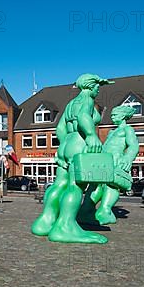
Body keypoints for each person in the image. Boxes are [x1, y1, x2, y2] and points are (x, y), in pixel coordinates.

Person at [31, 73, 114, 243]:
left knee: (59, 184)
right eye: (97, 86)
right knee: (75, 186)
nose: (99, 89)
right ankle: (65, 227)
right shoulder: (87, 100)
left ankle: (46, 221)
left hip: (66, 144)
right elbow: (84, 117)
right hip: (79, 142)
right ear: (90, 86)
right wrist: (91, 136)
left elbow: (60, 128)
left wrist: (64, 145)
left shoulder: (71, 104)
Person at [79, 105, 139, 224]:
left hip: (116, 160)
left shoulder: (127, 129)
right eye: (111, 115)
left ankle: (105, 210)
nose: (112, 117)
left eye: (115, 115)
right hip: (104, 160)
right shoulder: (112, 131)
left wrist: (128, 158)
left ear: (123, 116)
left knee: (111, 185)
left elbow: (133, 145)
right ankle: (86, 209)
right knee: (95, 185)